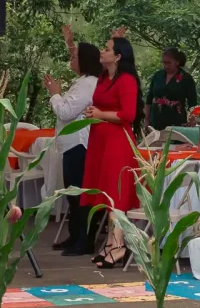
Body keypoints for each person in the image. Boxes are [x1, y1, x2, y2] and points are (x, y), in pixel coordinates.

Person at [80, 35, 142, 268]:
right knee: (105, 192)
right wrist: (93, 112)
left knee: (115, 193)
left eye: (106, 49)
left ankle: (118, 245)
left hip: (118, 141)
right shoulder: (104, 78)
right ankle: (109, 242)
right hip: (100, 141)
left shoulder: (126, 80)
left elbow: (128, 115)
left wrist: (100, 115)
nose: (102, 52)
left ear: (118, 56)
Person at [43, 34, 101, 255]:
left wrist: (55, 95)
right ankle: (75, 235)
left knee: (79, 194)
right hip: (72, 144)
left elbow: (66, 111)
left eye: (75, 55)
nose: (72, 58)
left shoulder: (88, 84)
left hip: (79, 143)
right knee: (71, 193)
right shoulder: (83, 81)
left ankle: (84, 240)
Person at [145, 48, 198, 131]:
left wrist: (192, 118)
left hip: (176, 120)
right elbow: (149, 99)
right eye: (163, 63)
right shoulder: (158, 75)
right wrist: (147, 121)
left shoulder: (186, 78)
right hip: (156, 119)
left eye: (168, 63)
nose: (165, 66)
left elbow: (193, 102)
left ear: (177, 62)